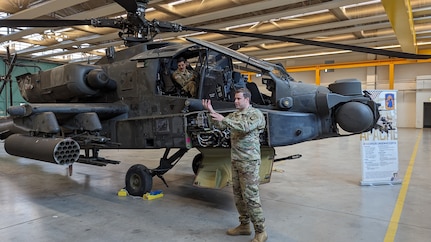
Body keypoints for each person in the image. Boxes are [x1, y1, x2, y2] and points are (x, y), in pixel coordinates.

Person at [202, 88, 267, 242]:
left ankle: (261, 231)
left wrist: (224, 119)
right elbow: (221, 126)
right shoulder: (235, 115)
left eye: (238, 99)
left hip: (249, 162)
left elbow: (244, 127)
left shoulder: (255, 114)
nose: (235, 101)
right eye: (235, 99)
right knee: (238, 196)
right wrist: (211, 112)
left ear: (247, 99)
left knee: (251, 197)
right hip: (236, 160)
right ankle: (244, 225)